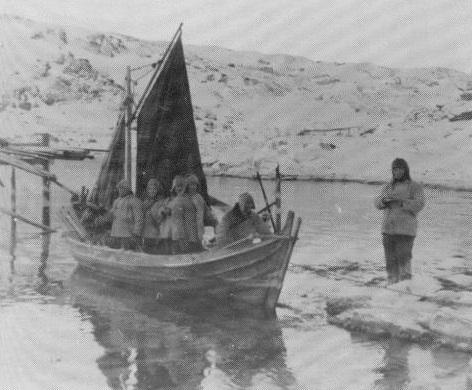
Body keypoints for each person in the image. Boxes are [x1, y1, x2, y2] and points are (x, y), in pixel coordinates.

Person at [375, 158, 425, 284]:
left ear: (405, 170)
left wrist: (402, 202)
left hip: (405, 231)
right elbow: (376, 203)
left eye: (399, 169)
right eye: (394, 169)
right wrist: (383, 201)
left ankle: (405, 285)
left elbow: (420, 204)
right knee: (390, 261)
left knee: (404, 259)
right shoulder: (388, 186)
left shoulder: (414, 187)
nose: (397, 172)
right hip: (388, 230)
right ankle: (392, 284)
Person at [167, 175, 201, 254]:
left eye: (181, 186)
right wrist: (182, 239)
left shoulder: (188, 199)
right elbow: (178, 222)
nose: (179, 189)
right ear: (174, 188)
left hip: (189, 237)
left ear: (185, 187)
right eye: (177, 187)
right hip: (181, 238)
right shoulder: (176, 201)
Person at [107, 179, 144, 250]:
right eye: (119, 188)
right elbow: (111, 214)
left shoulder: (134, 201)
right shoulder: (117, 201)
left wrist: (136, 234)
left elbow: (139, 219)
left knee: (127, 256)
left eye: (122, 188)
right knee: (116, 256)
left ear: (128, 189)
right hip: (115, 234)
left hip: (128, 236)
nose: (120, 190)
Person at [185, 174, 218, 245]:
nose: (193, 187)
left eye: (195, 185)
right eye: (191, 185)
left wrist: (199, 236)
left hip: (200, 224)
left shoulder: (198, 198)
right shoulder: (184, 197)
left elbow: (200, 217)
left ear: (197, 186)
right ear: (187, 186)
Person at [142, 178, 168, 254]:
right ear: (147, 190)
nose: (152, 191)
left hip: (158, 235)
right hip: (146, 235)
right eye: (150, 189)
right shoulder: (145, 203)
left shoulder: (161, 202)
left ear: (158, 190)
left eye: (154, 189)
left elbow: (163, 218)